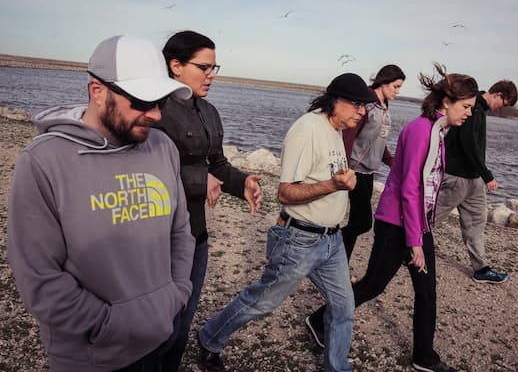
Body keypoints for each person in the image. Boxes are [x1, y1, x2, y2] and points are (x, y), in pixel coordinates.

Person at [7, 35, 196, 371]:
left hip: (158, 338)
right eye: (141, 101)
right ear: (98, 91)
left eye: (161, 102)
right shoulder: (43, 161)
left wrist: (176, 295)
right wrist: (111, 324)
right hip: (93, 356)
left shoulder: (162, 147)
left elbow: (180, 231)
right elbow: (40, 276)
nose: (154, 114)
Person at [196, 73, 377, 372]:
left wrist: (345, 183)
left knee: (344, 307)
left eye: (365, 106)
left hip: (331, 241)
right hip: (300, 239)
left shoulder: (336, 130)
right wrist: (334, 186)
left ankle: (336, 368)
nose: (362, 111)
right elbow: (286, 193)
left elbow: (328, 174)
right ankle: (209, 337)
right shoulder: (307, 130)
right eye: (357, 104)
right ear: (335, 100)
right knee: (263, 301)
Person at [306, 63, 478, 372]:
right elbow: (409, 189)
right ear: (447, 101)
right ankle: (318, 319)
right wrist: (415, 243)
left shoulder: (440, 132)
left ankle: (424, 357)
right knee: (373, 284)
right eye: (465, 106)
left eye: (471, 107)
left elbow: (425, 185)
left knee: (427, 291)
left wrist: (422, 231)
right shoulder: (420, 131)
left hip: (417, 222)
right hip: (396, 223)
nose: (469, 113)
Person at [155, 30, 263, 371]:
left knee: (183, 321)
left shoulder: (210, 112)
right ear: (175, 66)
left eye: (215, 67)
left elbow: (217, 165)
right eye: (204, 67)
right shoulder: (153, 110)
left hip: (195, 234)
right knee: (157, 325)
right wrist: (198, 180)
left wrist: (241, 181)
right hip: (156, 237)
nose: (212, 75)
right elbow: (144, 172)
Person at [435, 80, 518, 284]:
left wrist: (480, 175)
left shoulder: (479, 109)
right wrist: (487, 174)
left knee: (476, 222)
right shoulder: (473, 107)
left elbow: (474, 147)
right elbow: (467, 144)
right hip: (457, 176)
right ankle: (404, 248)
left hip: (473, 179)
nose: (501, 109)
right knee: (432, 216)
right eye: (503, 104)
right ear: (497, 94)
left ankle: (480, 269)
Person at [341, 64, 406, 260]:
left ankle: (339, 265)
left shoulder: (384, 106)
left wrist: (392, 162)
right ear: (383, 82)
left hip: (369, 172)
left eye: (400, 87)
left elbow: (378, 139)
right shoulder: (367, 103)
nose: (398, 91)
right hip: (354, 170)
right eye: (395, 86)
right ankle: (333, 250)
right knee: (362, 223)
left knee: (356, 221)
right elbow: (349, 136)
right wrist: (344, 167)